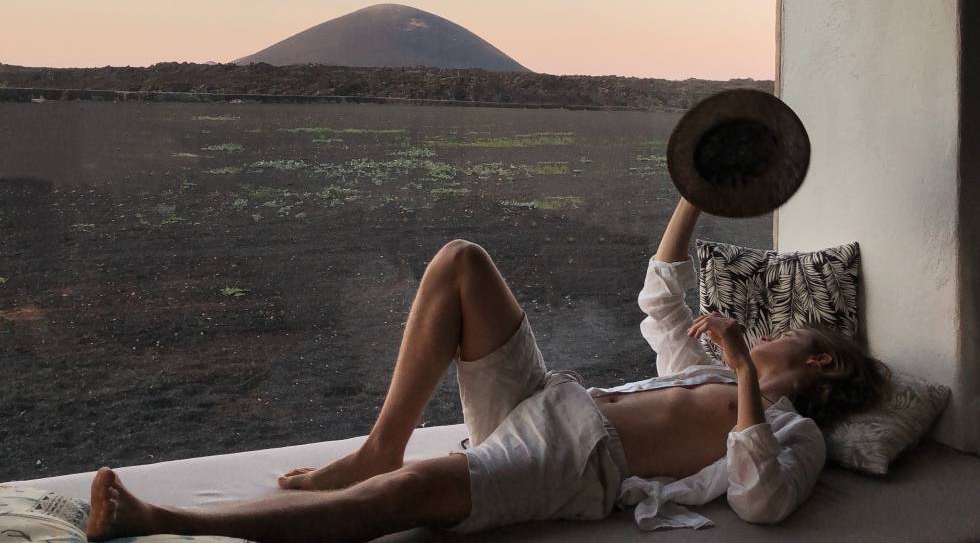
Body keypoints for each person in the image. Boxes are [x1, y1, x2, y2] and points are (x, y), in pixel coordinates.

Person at [85, 197, 890, 542]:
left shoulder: (789, 432)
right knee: (462, 261)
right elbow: (662, 293)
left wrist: (747, 371)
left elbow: (761, 503)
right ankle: (379, 444)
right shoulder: (703, 370)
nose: (771, 333)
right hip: (546, 401)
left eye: (792, 334)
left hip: (575, 461)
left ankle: (163, 521)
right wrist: (694, 191)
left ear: (818, 359)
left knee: (408, 501)